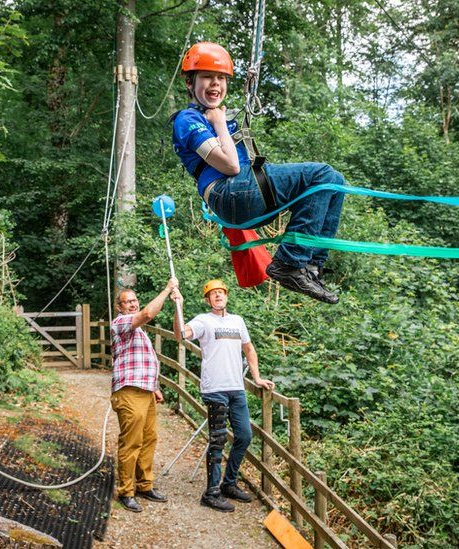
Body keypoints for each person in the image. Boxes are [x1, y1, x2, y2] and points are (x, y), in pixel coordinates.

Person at [171, 42, 345, 305]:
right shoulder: (188, 119)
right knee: (321, 175)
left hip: (244, 200)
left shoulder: (213, 116)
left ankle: (310, 267)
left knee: (334, 182)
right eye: (207, 77)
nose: (215, 84)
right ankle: (291, 262)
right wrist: (219, 124)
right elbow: (230, 166)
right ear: (189, 83)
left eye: (221, 78)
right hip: (229, 192)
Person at [171, 279, 274, 512]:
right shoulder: (203, 321)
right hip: (215, 389)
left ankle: (229, 484)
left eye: (221, 292)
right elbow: (181, 335)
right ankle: (211, 493)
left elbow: (249, 349)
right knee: (217, 440)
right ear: (208, 299)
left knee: (245, 436)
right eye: (213, 294)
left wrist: (256, 378)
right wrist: (178, 308)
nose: (218, 296)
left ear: (227, 296)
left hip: (237, 388)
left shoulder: (238, 321)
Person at [110, 280, 178, 512]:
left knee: (149, 439)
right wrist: (167, 289)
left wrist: (155, 386)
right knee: (132, 442)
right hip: (129, 391)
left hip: (146, 391)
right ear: (119, 307)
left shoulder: (140, 333)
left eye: (134, 301)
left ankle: (144, 485)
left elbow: (144, 361)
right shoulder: (121, 323)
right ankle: (126, 491)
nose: (131, 304)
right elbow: (148, 313)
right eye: (126, 302)